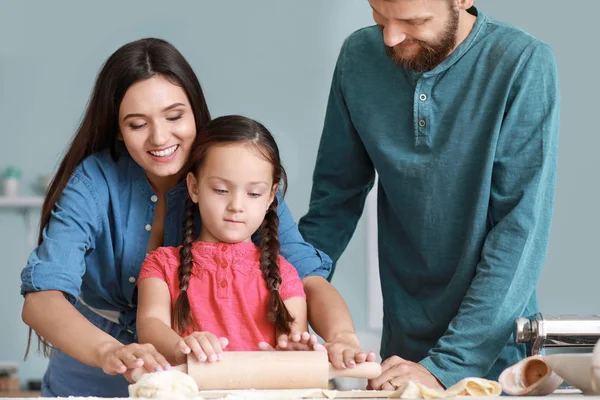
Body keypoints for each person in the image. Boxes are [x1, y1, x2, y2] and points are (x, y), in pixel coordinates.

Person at [20, 38, 372, 398]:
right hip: (94, 358)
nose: (160, 137)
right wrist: (109, 352)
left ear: (195, 110)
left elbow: (307, 279)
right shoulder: (93, 183)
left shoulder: (237, 176)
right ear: (118, 130)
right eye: (137, 124)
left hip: (199, 375)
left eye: (174, 116)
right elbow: (42, 299)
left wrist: (342, 337)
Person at [299, 0, 559, 391]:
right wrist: (280, 299)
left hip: (490, 357)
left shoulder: (522, 63)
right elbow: (332, 203)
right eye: (378, 14)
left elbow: (518, 231)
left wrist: (447, 365)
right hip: (400, 354)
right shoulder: (359, 56)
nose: (390, 36)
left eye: (413, 21)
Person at [136, 115, 313, 365]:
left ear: (271, 196)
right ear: (194, 187)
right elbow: (150, 324)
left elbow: (292, 343)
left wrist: (296, 355)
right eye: (221, 190)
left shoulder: (284, 274)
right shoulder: (161, 265)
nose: (236, 206)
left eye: (253, 193)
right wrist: (182, 346)